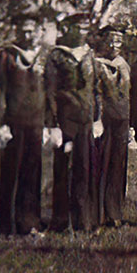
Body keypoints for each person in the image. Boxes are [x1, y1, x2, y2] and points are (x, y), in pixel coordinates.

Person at [0, 10, 53, 235]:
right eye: (24, 29)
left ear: (39, 31)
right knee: (10, 171)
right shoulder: (6, 56)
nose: (28, 34)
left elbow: (50, 91)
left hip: (36, 123)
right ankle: (6, 223)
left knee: (33, 171)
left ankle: (30, 221)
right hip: (13, 123)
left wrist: (49, 122)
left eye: (32, 29)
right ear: (18, 31)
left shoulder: (46, 56)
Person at [44, 13, 97, 232]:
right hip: (65, 121)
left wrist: (98, 118)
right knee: (64, 170)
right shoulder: (56, 56)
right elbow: (50, 92)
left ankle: (82, 221)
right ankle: (61, 220)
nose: (83, 32)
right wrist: (53, 124)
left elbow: (95, 90)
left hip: (86, 120)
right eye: (79, 28)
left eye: (86, 28)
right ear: (70, 29)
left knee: (83, 170)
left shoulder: (89, 55)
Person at [92, 24, 131, 227]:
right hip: (105, 119)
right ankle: (100, 214)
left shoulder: (124, 64)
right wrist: (97, 119)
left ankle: (115, 212)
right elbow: (96, 94)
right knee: (103, 165)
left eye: (118, 40)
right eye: (111, 40)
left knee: (119, 166)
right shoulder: (97, 63)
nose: (114, 44)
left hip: (122, 119)